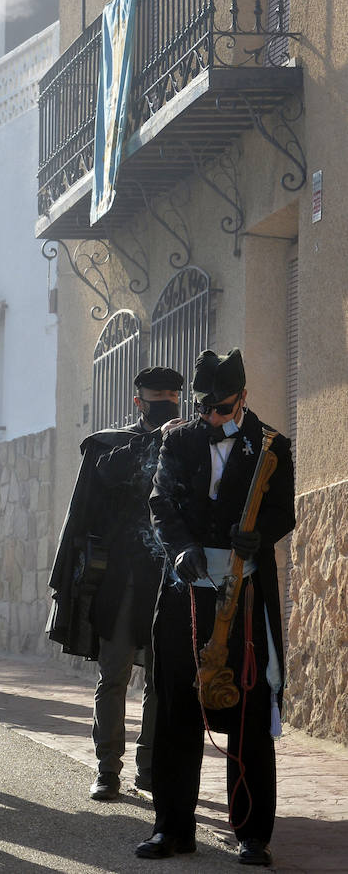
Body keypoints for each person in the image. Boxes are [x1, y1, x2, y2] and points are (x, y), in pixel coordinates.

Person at [138, 349, 294, 867]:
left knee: (248, 710)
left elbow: (281, 511)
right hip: (187, 589)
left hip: (245, 593)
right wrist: (179, 547)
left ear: (243, 399)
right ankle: (172, 827)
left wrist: (259, 536)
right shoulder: (177, 439)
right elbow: (161, 503)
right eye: (206, 408)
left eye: (223, 409)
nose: (212, 418)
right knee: (176, 707)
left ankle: (252, 832)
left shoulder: (272, 445)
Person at [47, 366, 184, 799]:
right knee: (115, 674)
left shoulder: (187, 445)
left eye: (171, 396)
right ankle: (108, 768)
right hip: (122, 581)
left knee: (163, 680)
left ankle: (151, 768)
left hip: (170, 580)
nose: (164, 402)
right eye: (155, 395)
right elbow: (92, 500)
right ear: (137, 400)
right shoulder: (112, 445)